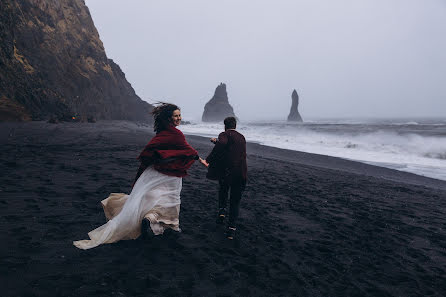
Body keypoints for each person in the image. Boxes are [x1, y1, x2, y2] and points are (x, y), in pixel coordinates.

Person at [73, 103, 206, 249]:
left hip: (156, 172)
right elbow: (189, 150)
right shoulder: (176, 134)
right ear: (169, 118)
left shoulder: (163, 132)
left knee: (154, 196)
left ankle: (151, 218)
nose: (179, 118)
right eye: (176, 116)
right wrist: (200, 159)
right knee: (171, 198)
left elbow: (152, 150)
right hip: (171, 174)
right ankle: (169, 225)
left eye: (180, 115)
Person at [202, 117, 247, 239]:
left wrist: (208, 159)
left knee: (223, 191)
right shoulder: (242, 137)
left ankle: (222, 212)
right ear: (235, 125)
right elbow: (232, 149)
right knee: (235, 201)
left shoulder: (224, 134)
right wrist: (217, 142)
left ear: (225, 125)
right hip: (241, 173)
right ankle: (231, 229)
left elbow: (223, 143)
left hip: (227, 172)